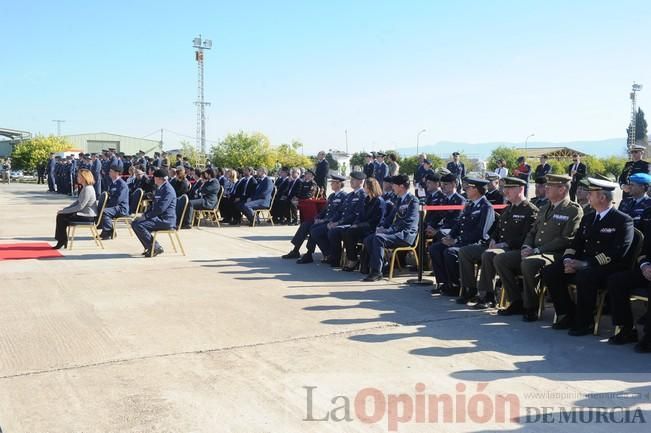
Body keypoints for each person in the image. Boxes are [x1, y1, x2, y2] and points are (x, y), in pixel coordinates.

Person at [543, 177, 633, 336]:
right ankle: (568, 314)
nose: (588, 196)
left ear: (602, 197)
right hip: (583, 263)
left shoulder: (622, 220)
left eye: (591, 193)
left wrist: (585, 264)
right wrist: (568, 260)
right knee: (551, 271)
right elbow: (576, 244)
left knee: (586, 275)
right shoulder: (589, 218)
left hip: (608, 267)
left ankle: (585, 322)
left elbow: (618, 252)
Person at [494, 174, 583, 320]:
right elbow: (532, 231)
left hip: (554, 254)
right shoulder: (544, 208)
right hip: (534, 250)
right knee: (501, 259)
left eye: (549, 186)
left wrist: (537, 250)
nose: (545, 189)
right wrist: (526, 246)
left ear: (561, 189)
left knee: (529, 263)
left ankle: (531, 307)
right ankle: (516, 301)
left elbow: (566, 239)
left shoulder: (573, 210)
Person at [457, 177, 538, 310]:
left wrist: (505, 244)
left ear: (521, 189)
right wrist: (493, 239)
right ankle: (469, 289)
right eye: (505, 188)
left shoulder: (530, 210)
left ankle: (487, 295)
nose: (505, 191)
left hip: (513, 249)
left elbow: (528, 237)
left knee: (489, 255)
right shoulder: (509, 209)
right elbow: (497, 229)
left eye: (509, 188)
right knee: (465, 251)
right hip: (498, 247)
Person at [429, 178, 496, 298]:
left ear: (476, 189)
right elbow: (459, 224)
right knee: (435, 248)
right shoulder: (470, 205)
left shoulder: (486, 207)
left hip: (475, 243)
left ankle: (457, 284)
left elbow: (481, 233)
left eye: (468, 188)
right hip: (461, 241)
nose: (466, 190)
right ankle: (445, 282)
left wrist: (456, 241)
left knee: (450, 252)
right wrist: (450, 236)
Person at [607, 206, 651, 351]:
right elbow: (645, 250)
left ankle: (649, 337)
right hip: (648, 269)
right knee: (617, 280)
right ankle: (626, 329)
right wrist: (644, 266)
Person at [362, 174, 419, 282]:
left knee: (379, 238)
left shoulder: (413, 201)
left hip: (405, 235)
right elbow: (390, 218)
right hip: (395, 232)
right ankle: (382, 265)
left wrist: (387, 231)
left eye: (394, 185)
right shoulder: (398, 199)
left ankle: (376, 272)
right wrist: (381, 227)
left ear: (401, 186)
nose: (392, 187)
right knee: (369, 239)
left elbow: (407, 223)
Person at [304, 172, 366, 264]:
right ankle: (329, 255)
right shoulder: (350, 195)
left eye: (354, 180)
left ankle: (335, 257)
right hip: (342, 222)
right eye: (351, 179)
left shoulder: (362, 195)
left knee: (330, 232)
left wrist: (337, 223)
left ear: (361, 182)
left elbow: (355, 215)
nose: (351, 181)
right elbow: (340, 212)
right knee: (314, 228)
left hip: (351, 224)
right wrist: (333, 221)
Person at [282, 174, 347, 260]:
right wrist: (317, 218)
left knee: (313, 228)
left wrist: (323, 220)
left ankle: (309, 253)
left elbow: (339, 213)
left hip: (331, 222)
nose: (331, 184)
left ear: (339, 184)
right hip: (324, 220)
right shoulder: (332, 196)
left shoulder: (344, 196)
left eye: (333, 183)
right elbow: (324, 210)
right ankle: (295, 250)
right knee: (306, 224)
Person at [336, 177, 386, 270]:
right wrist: (355, 224)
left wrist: (358, 225)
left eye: (365, 186)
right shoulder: (367, 199)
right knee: (345, 231)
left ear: (371, 188)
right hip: (363, 226)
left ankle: (353, 260)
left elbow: (376, 220)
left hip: (372, 227)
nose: (364, 188)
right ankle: (352, 258)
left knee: (350, 233)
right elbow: (360, 215)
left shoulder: (379, 201)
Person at [131, 169, 177, 257]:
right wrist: (145, 214)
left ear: (160, 178)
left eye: (154, 177)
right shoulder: (160, 188)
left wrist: (146, 216)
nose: (153, 179)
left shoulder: (168, 190)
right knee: (135, 223)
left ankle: (155, 247)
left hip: (165, 220)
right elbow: (155, 206)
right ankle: (150, 247)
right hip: (159, 217)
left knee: (139, 225)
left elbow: (160, 208)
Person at [52, 169, 98, 249]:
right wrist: (65, 209)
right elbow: (77, 202)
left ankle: (62, 240)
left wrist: (64, 211)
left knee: (61, 217)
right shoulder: (85, 187)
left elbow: (80, 206)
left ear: (84, 177)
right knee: (61, 215)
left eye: (79, 176)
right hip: (83, 213)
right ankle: (62, 240)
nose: (77, 177)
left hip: (87, 216)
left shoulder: (88, 189)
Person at [424, 173, 464, 242]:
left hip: (452, 230)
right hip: (442, 228)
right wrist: (430, 226)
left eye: (445, 184)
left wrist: (437, 230)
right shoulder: (444, 199)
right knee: (422, 230)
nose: (442, 187)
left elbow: (456, 220)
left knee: (438, 237)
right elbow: (438, 215)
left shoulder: (460, 200)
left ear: (454, 184)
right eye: (442, 184)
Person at [99, 165, 129, 239]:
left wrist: (107, 206)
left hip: (121, 208)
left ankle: (107, 232)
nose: (109, 173)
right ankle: (110, 231)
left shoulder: (122, 184)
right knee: (100, 209)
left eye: (111, 171)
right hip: (115, 207)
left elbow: (118, 200)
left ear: (116, 173)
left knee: (105, 211)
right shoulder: (113, 183)